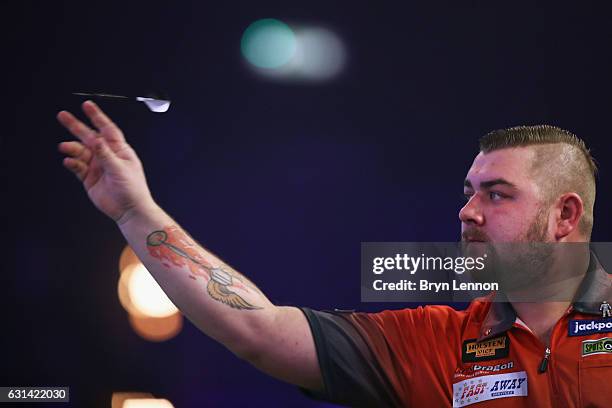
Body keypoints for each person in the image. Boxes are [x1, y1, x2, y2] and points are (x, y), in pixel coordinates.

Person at [57, 101, 611, 407]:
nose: (468, 212)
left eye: (496, 194)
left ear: (564, 216)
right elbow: (261, 331)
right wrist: (135, 213)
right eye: (468, 193)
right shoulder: (434, 340)